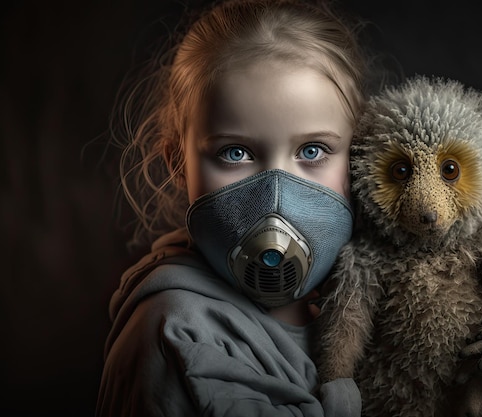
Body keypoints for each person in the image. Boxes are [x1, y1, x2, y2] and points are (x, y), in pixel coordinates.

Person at [96, 0, 370, 415]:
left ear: (359, 159)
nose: (276, 197)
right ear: (179, 165)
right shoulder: (178, 334)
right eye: (236, 153)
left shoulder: (360, 310)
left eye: (312, 150)